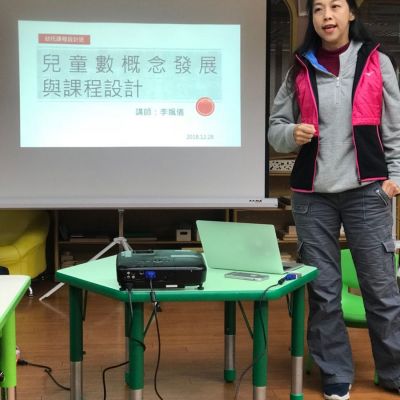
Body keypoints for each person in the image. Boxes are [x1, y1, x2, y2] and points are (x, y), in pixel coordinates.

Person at [268, 0, 400, 399]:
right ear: (313, 18)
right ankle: (335, 373)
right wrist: (291, 134)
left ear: (351, 13)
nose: (327, 15)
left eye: (336, 6)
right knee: (323, 292)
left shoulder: (377, 62)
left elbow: (395, 128)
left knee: (381, 289)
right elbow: (275, 129)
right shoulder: (300, 68)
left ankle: (394, 372)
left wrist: (394, 178)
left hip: (368, 191)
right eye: (319, 8)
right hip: (313, 196)